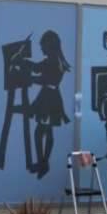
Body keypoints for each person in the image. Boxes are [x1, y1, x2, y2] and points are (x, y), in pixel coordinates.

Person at [21, 30, 71, 179]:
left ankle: (44, 163)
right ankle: (43, 162)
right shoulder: (54, 59)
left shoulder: (53, 61)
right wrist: (26, 64)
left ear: (49, 46)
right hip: (49, 97)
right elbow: (37, 68)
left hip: (49, 99)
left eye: (43, 46)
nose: (41, 49)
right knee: (46, 131)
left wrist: (29, 77)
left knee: (41, 131)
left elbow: (44, 77)